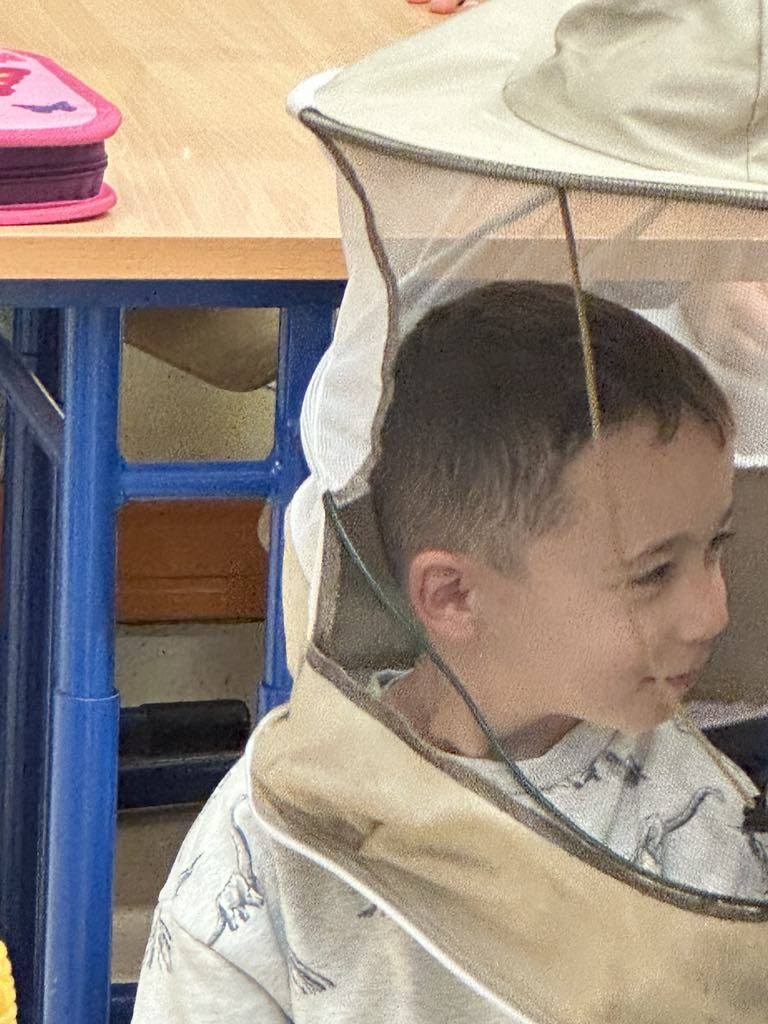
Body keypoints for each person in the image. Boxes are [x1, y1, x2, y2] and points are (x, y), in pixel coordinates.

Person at [130, 280, 768, 1024]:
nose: (712, 612)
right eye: (652, 574)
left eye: (716, 546)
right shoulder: (283, 838)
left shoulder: (703, 811)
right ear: (456, 595)